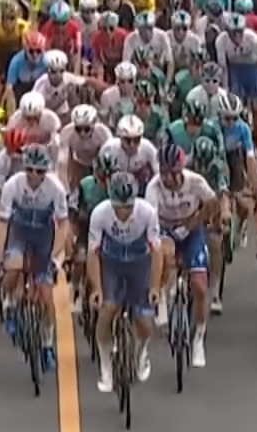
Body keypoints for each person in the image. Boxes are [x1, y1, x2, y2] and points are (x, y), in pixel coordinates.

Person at [0, 144, 68, 371]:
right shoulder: (12, 185)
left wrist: (55, 256)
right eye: (31, 170)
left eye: (40, 171)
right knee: (13, 267)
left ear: (47, 171)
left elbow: (63, 225)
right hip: (20, 232)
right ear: (24, 169)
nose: (35, 175)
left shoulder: (55, 188)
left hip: (44, 235)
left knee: (46, 297)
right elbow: (3, 224)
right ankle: (11, 305)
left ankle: (46, 345)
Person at [145, 142, 217, 368]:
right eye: (164, 174)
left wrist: (195, 222)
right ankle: (163, 300)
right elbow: (151, 221)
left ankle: (198, 339)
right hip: (165, 228)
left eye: (173, 174)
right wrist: (165, 240)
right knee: (163, 253)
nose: (168, 179)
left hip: (191, 229)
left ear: (181, 170)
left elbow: (212, 203)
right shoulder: (154, 187)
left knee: (199, 287)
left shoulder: (195, 182)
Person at [88, 171, 159, 394]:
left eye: (128, 207)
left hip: (140, 263)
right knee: (107, 310)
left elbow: (157, 253)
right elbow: (93, 253)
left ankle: (141, 354)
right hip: (112, 264)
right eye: (119, 207)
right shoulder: (100, 214)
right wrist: (97, 288)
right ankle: (106, 367)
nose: (124, 212)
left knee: (145, 322)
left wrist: (155, 286)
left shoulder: (147, 212)